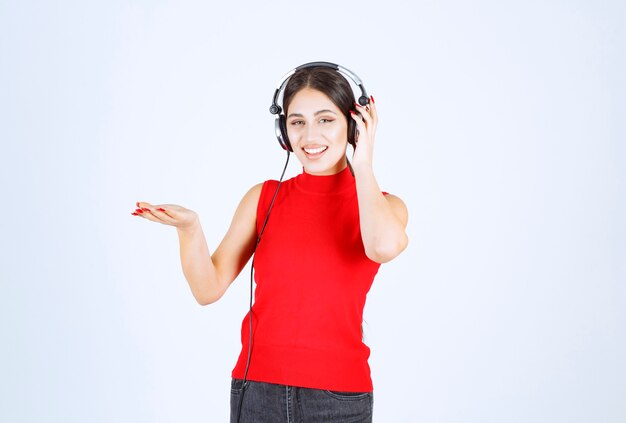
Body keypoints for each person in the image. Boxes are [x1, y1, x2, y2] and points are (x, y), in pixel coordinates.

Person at [131, 63, 409, 422]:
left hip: (337, 398)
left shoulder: (385, 207)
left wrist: (364, 163)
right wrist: (190, 228)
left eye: (325, 120)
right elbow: (207, 289)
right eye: (297, 122)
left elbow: (383, 247)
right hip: (255, 389)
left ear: (354, 125)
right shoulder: (263, 197)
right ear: (283, 130)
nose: (310, 136)